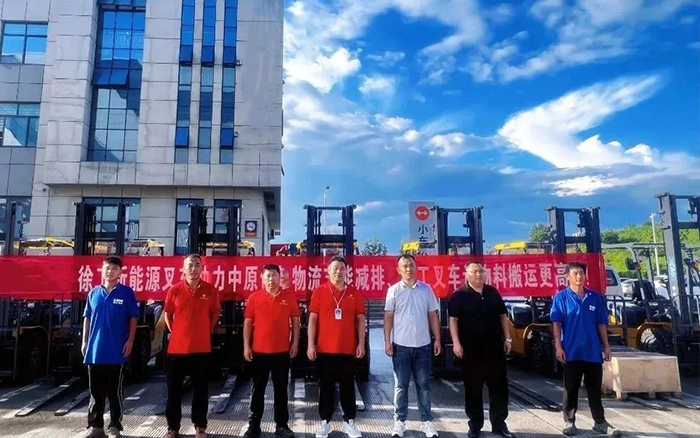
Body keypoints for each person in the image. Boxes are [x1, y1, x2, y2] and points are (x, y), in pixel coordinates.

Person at [551, 262, 622, 437]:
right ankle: (570, 421)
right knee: (571, 388)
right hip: (571, 351)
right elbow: (556, 324)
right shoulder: (561, 298)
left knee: (594, 389)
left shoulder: (594, 297)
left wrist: (606, 346)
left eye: (581, 273)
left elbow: (601, 323)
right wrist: (558, 346)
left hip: (592, 352)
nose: (579, 276)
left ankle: (600, 422)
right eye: (575, 273)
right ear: (567, 277)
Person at [448, 262, 515, 438]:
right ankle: (475, 425)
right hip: (471, 350)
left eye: (481, 271)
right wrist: (456, 342)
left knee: (499, 388)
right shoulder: (459, 295)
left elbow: (503, 315)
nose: (478, 274)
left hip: (495, 348)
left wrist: (507, 338)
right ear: (467, 274)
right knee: (473, 389)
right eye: (474, 271)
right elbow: (453, 320)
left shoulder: (492, 292)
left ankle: (499, 424)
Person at [307, 256, 366, 438]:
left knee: (348, 387)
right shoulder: (319, 291)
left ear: (346, 271)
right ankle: (325, 422)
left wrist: (361, 343)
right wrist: (310, 344)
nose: (338, 272)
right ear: (328, 271)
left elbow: (360, 320)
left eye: (341, 268)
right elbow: (313, 320)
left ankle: (349, 422)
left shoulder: (354, 293)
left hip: (347, 349)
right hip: (325, 349)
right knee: (326, 387)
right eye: (335, 269)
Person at [163, 254, 221, 438]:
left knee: (201, 390)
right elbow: (168, 314)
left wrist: (205, 330)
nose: (193, 269)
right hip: (177, 349)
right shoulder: (174, 290)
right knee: (174, 390)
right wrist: (176, 331)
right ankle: (172, 427)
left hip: (201, 348)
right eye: (190, 265)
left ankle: (200, 426)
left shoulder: (210, 290)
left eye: (197, 265)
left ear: (201, 268)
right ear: (183, 268)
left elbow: (215, 313)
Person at [384, 254, 441, 438]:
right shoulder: (393, 290)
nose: (408, 269)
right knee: (401, 385)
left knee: (423, 385)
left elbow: (433, 315)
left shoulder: (426, 289)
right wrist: (387, 340)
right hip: (401, 346)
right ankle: (399, 421)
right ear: (399, 270)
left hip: (423, 345)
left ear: (416, 268)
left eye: (411, 265)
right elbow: (388, 316)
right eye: (404, 266)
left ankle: (426, 421)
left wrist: (437, 339)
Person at [82, 256, 138, 438]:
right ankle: (96, 427)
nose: (110, 271)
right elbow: (87, 317)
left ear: (120, 272)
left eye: (114, 268)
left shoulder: (126, 293)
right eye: (107, 268)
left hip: (116, 351)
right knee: (95, 392)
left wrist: (130, 340)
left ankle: (115, 426)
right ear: (102, 270)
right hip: (95, 352)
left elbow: (133, 318)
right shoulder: (94, 293)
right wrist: (84, 342)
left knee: (114, 391)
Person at [243, 264, 300, 438]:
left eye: (274, 275)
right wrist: (246, 346)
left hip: (281, 352)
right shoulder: (254, 298)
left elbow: (295, 321)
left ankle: (281, 426)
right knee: (257, 390)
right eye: (267, 275)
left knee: (281, 390)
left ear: (279, 277)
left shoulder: (288, 297)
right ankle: (254, 426)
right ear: (262, 278)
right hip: (259, 352)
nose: (271, 279)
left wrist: (295, 342)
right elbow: (248, 323)